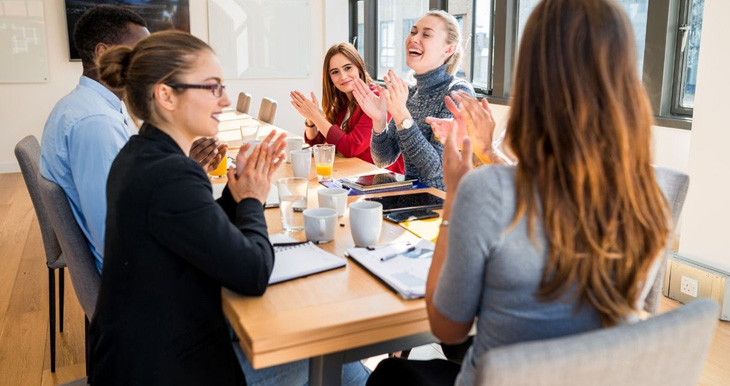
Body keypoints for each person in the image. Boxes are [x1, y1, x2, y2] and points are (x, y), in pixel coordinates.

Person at [367, 0, 671, 385]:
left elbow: (447, 328)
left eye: (426, 33)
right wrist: (488, 154)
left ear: (531, 72)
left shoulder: (486, 190)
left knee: (390, 375)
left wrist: (456, 202)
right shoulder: (649, 200)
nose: (414, 37)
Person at [88, 30, 288, 385]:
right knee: (345, 370)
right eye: (212, 87)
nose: (224, 100)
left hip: (133, 355)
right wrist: (254, 198)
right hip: (168, 367)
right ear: (166, 95)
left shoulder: (140, 153)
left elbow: (193, 228)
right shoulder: (170, 174)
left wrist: (234, 194)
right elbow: (253, 273)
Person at [40, 6, 221, 274]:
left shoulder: (85, 106)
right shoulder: (96, 124)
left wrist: (181, 162)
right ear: (103, 54)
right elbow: (115, 236)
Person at [352, 10, 475, 190]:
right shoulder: (410, 92)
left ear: (448, 49)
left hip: (442, 204)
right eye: (413, 31)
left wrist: (402, 116)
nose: (414, 38)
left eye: (426, 34)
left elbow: (434, 169)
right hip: (412, 196)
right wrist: (378, 121)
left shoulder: (457, 92)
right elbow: (383, 159)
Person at [290, 43, 404, 174]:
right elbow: (321, 145)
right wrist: (311, 119)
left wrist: (316, 116)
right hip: (353, 175)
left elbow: (351, 147)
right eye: (335, 72)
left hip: (379, 179)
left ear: (359, 68)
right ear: (330, 78)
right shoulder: (343, 101)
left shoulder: (376, 99)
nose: (343, 76)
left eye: (348, 68)